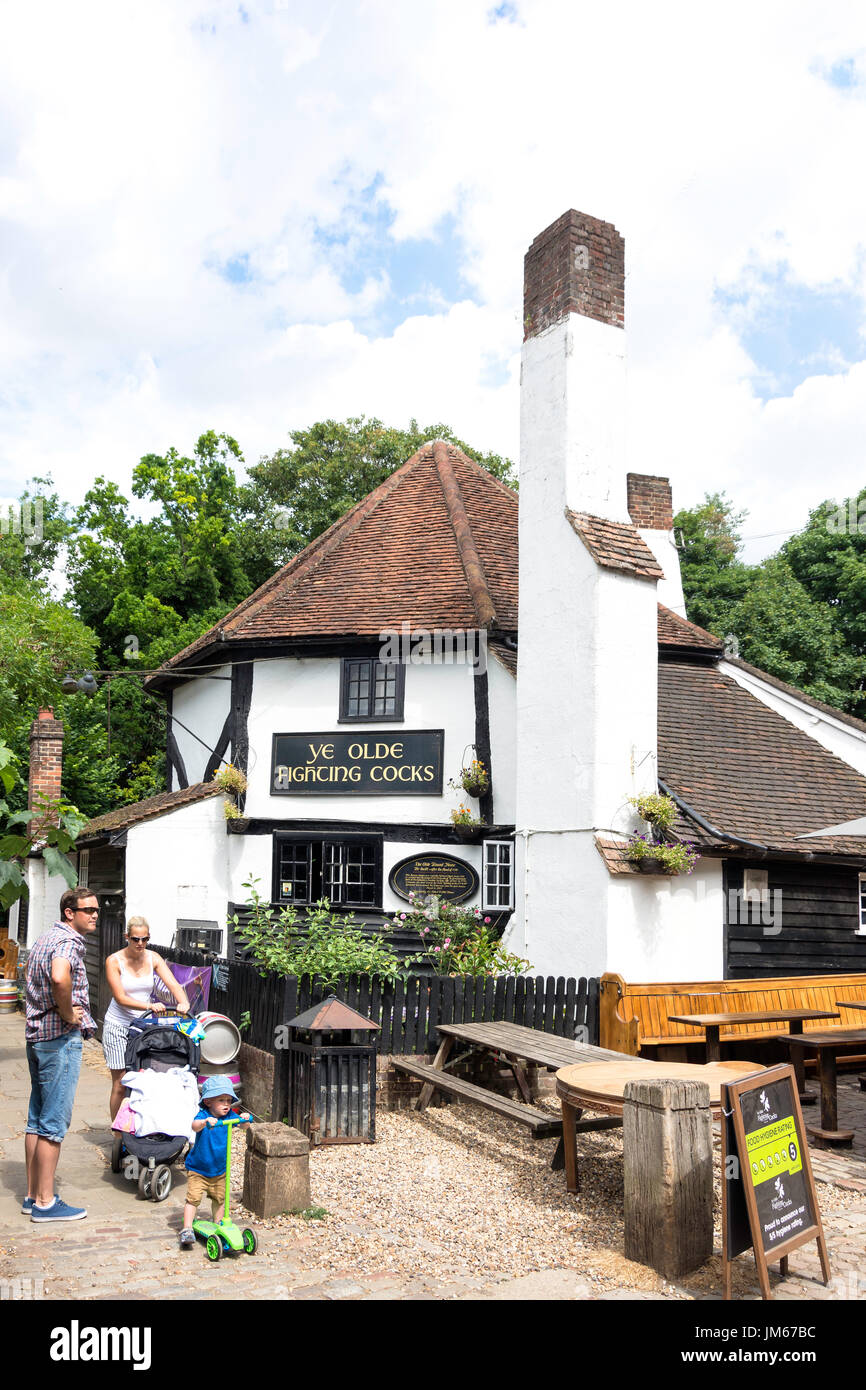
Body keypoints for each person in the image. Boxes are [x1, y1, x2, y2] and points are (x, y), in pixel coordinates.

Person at [23, 886, 99, 1222]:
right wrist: (69, 1013)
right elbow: (59, 977)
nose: (95, 915)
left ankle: (30, 1194)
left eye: (97, 910)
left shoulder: (45, 937)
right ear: (70, 912)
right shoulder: (68, 941)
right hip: (58, 1040)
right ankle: (44, 1203)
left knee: (36, 1120)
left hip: (37, 1037)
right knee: (53, 1125)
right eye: (88, 910)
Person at [103, 916, 189, 1119]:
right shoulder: (114, 961)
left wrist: (183, 1002)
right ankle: (117, 1130)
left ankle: (140, 1122)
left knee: (143, 1076)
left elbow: (174, 984)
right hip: (118, 1024)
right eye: (135, 939)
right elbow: (121, 997)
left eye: (144, 939)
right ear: (127, 937)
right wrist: (149, 1005)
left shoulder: (153, 957)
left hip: (142, 1025)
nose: (140, 943)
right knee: (121, 1081)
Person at [178, 1076, 250, 1249]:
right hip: (198, 1169)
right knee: (193, 1198)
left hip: (220, 1169)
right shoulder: (204, 1115)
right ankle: (187, 1228)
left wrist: (245, 1119)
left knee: (220, 1199)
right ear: (209, 1101)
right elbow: (194, 1126)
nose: (226, 1104)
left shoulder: (230, 1115)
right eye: (221, 1100)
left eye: (228, 1100)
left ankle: (218, 1223)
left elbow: (243, 1126)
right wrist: (204, 1122)